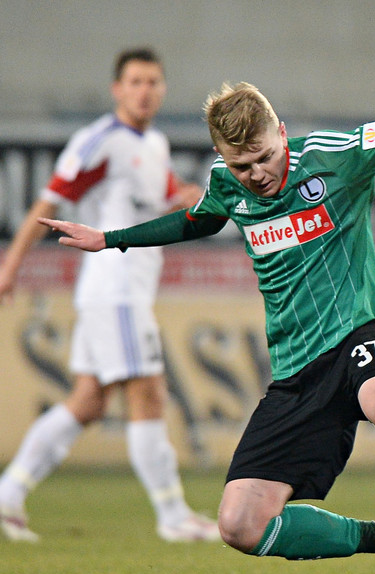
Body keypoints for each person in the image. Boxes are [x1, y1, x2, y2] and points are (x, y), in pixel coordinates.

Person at [37, 28, 375, 574]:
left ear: (281, 133)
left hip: (360, 330)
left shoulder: (335, 158)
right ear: (222, 159)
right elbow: (197, 220)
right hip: (294, 370)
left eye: (263, 157)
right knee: (239, 523)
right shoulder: (226, 186)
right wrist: (111, 238)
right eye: (241, 166)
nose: (256, 174)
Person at [0, 48, 218, 543]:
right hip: (115, 289)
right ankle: (172, 515)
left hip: (116, 293)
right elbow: (48, 201)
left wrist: (188, 194)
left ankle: (9, 492)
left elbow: (163, 193)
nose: (145, 90)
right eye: (135, 81)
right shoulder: (99, 141)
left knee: (89, 401)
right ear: (117, 89)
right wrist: (10, 266)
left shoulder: (155, 143)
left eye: (153, 82)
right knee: (149, 394)